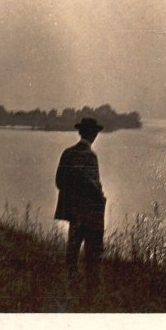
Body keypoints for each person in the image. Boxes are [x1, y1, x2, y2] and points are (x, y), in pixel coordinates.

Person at [54, 117, 107, 284]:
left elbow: (59, 181)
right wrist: (100, 197)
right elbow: (93, 185)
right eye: (95, 133)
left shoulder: (67, 153)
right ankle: (90, 286)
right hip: (89, 213)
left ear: (80, 132)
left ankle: (71, 279)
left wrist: (72, 196)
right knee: (92, 252)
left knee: (73, 247)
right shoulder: (90, 156)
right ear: (93, 135)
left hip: (73, 210)